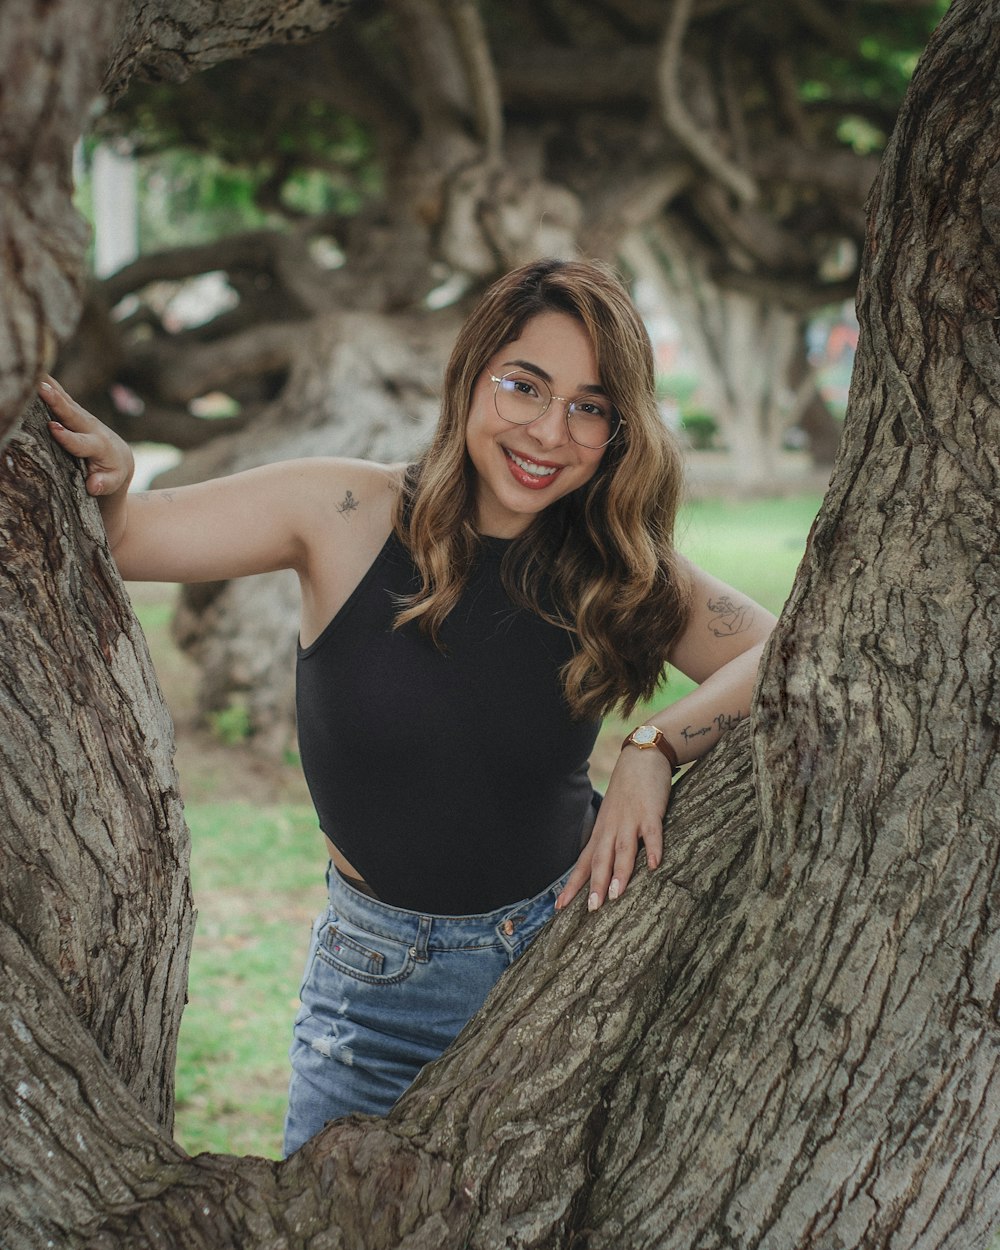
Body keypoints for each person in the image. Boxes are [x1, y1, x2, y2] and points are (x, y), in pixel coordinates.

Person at [39, 258, 776, 1155]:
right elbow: (129, 535)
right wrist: (114, 476)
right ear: (471, 376)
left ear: (620, 433)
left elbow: (784, 650)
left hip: (566, 966)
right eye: (525, 386)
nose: (550, 431)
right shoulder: (344, 510)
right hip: (377, 1000)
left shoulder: (617, 568)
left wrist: (652, 746)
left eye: (591, 407)